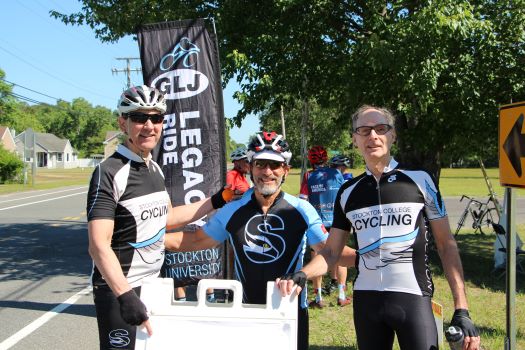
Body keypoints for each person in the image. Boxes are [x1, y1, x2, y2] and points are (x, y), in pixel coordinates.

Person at [277, 105, 481, 350]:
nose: (373, 136)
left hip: (413, 299)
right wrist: (302, 274)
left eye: (381, 129)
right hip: (367, 302)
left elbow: (446, 245)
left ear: (392, 135)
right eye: (364, 130)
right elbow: (331, 252)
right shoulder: (348, 192)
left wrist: (462, 308)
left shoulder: (421, 180)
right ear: (354, 139)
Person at [165, 131, 355, 350]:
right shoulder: (233, 209)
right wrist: (152, 239)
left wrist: (370, 258)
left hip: (290, 312)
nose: (267, 172)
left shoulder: (302, 210)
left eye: (274, 165)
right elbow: (197, 241)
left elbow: (330, 252)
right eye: (260, 164)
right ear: (250, 168)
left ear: (285, 169)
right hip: (246, 311)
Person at [86, 85, 230, 350]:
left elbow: (167, 218)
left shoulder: (154, 168)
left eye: (157, 118)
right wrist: (125, 295)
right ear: (123, 123)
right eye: (140, 117)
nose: (149, 125)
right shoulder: (109, 172)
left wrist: (219, 199)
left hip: (153, 285)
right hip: (121, 290)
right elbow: (98, 245)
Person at [302, 146, 351, 308]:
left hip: (317, 224)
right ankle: (342, 296)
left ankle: (318, 299)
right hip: (337, 223)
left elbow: (302, 200)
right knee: (341, 257)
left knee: (318, 257)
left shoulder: (308, 176)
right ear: (326, 159)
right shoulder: (336, 174)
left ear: (311, 160)